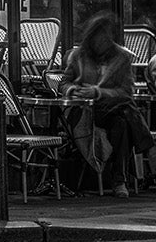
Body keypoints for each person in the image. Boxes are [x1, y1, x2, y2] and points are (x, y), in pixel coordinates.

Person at [60, 12, 143, 196]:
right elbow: (64, 83)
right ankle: (128, 173)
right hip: (83, 110)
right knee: (126, 116)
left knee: (122, 122)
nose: (103, 40)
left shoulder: (122, 58)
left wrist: (98, 92)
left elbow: (126, 92)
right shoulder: (78, 56)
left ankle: (119, 179)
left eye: (107, 36)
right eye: (99, 35)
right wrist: (74, 91)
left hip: (110, 109)